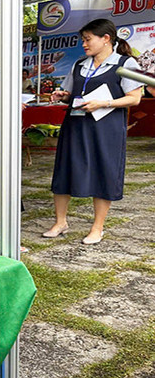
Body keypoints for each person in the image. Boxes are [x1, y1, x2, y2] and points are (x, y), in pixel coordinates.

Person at [44, 19, 143, 245]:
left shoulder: (127, 63)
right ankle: (60, 222)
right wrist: (63, 96)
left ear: (106, 38)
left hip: (106, 129)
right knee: (64, 170)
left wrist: (104, 103)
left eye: (88, 39)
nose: (84, 44)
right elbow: (72, 93)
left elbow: (135, 98)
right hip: (75, 125)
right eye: (83, 40)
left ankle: (97, 228)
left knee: (103, 172)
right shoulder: (79, 64)